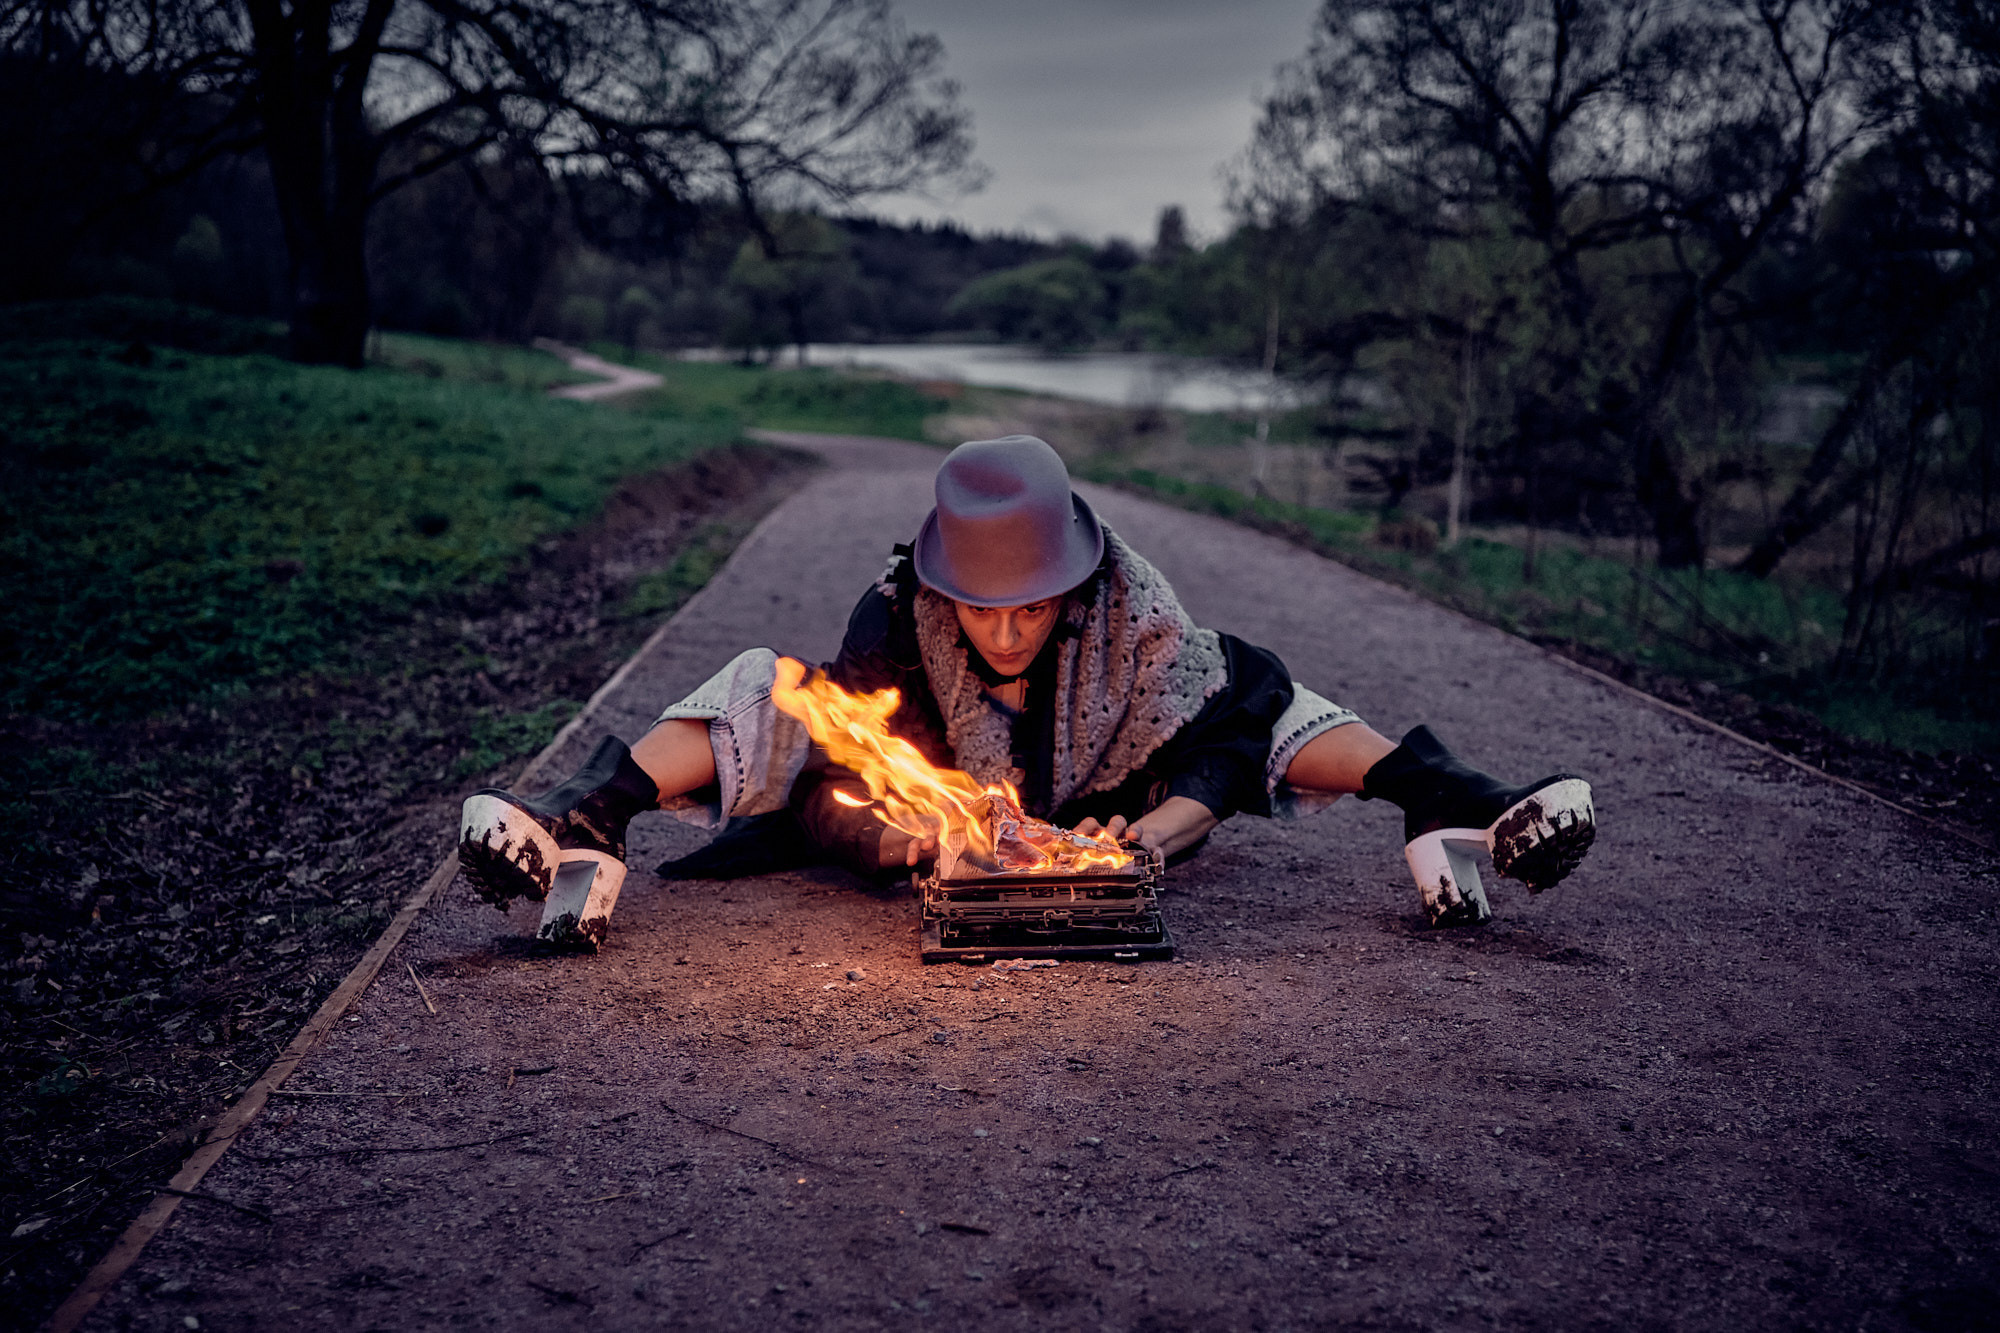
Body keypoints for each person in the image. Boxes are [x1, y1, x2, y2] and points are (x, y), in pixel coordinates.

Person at [459, 435, 1594, 943]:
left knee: (1265, 690)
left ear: (1077, 577)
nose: (1003, 628)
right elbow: (832, 797)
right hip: (948, 825)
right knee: (767, 683)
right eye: (978, 604)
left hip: (1114, 793)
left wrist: (1139, 842)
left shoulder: (1133, 609)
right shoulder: (893, 616)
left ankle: (1454, 801)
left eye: (1032, 600)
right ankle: (585, 817)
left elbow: (1222, 739)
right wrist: (925, 844)